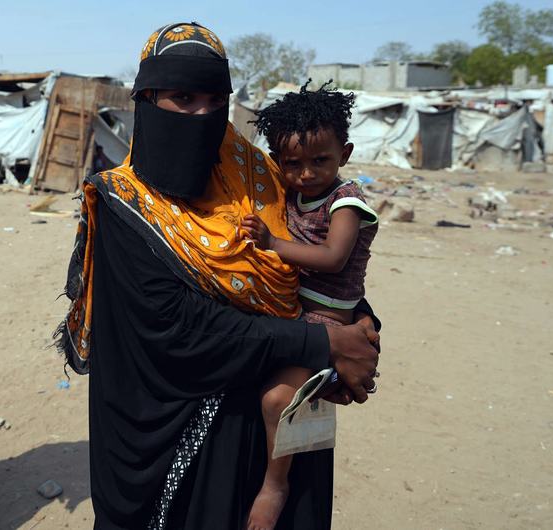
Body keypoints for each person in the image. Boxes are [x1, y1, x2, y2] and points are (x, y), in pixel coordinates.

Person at [56, 23, 382, 529]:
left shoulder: (264, 178)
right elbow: (177, 327)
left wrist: (357, 326)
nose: (202, 115)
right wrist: (322, 346)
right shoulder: (126, 204)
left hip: (281, 416)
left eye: (215, 100)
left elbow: (321, 261)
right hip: (185, 437)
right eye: (183, 98)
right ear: (146, 99)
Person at [239, 82, 379, 530]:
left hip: (326, 316)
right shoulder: (293, 194)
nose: (305, 174)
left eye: (320, 161)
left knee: (278, 399)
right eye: (292, 164)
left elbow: (333, 257)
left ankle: (274, 485)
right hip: (293, 308)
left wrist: (272, 242)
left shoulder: (346, 201)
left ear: (345, 152)